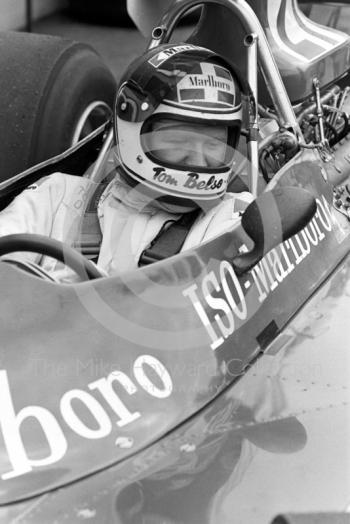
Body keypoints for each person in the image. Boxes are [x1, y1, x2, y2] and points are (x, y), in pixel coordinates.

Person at [0, 44, 253, 282]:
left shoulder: (233, 220)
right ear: (134, 132)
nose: (198, 159)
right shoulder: (56, 198)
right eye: (180, 141)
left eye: (213, 144)